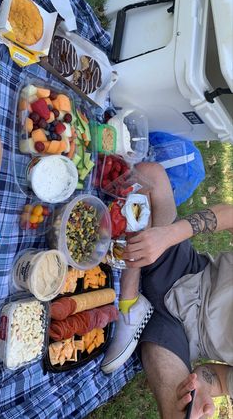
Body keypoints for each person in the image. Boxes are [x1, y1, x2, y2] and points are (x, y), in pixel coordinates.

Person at [101, 161, 233, 419]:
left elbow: (217, 379)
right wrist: (169, 235)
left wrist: (200, 391)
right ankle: (130, 298)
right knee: (148, 175)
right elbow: (230, 215)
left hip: (179, 337)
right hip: (188, 270)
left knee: (179, 412)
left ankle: (133, 301)